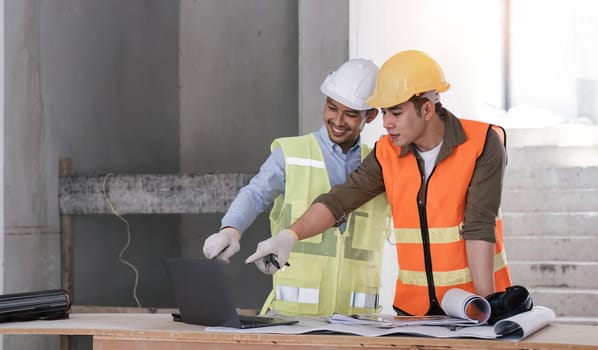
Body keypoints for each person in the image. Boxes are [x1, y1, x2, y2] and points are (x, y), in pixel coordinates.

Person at [246, 50, 512, 317]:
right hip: (415, 314)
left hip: (473, 305)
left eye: (395, 113)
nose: (386, 123)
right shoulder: (387, 153)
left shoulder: (482, 144)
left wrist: (486, 307)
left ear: (427, 109)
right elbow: (339, 200)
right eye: (384, 112)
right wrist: (289, 236)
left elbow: (479, 225)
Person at [203, 58, 390, 316]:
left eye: (350, 113)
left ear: (371, 115)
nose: (337, 120)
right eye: (332, 108)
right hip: (293, 319)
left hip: (358, 323)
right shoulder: (291, 153)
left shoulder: (380, 163)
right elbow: (255, 193)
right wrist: (230, 230)